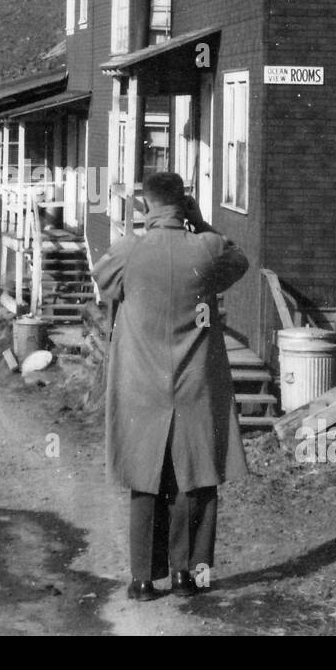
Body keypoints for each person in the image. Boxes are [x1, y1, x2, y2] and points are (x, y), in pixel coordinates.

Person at [91, 171, 250, 601]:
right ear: (185, 205)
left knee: (146, 480)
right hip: (195, 383)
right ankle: (188, 575)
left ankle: (143, 579)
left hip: (141, 386)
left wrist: (140, 230)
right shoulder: (206, 248)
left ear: (145, 206)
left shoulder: (130, 250)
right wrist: (199, 224)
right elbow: (239, 260)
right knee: (195, 477)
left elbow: (103, 282)